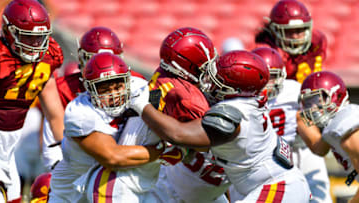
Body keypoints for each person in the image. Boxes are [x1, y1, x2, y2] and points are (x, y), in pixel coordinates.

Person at [132, 50, 312, 202]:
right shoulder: (251, 101)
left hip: (278, 187)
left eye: (217, 80)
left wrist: (142, 106)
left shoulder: (233, 115)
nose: (209, 82)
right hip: (281, 186)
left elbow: (178, 134)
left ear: (235, 89)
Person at [48, 52, 167, 203]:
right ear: (89, 89)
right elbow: (112, 157)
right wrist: (162, 151)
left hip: (111, 180)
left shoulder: (138, 88)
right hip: (73, 190)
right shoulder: (80, 112)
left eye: (117, 87)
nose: (113, 95)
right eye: (104, 90)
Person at [228, 47, 331, 202]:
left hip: (289, 153)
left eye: (273, 77)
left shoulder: (293, 91)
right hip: (249, 161)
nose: (267, 84)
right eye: (262, 76)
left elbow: (305, 124)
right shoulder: (239, 96)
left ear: (282, 76)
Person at [147, 27, 231, 203]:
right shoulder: (188, 97)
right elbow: (207, 141)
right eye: (204, 68)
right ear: (185, 68)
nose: (209, 73)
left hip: (162, 164)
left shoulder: (165, 73)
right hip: (173, 177)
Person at [0, 0, 64, 202]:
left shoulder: (46, 59)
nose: (35, 44)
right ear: (10, 32)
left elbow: (54, 113)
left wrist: (67, 152)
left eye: (40, 37)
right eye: (28, 37)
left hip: (8, 146)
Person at [41, 26, 124, 170]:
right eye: (94, 60)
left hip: (121, 156)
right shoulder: (64, 88)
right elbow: (53, 139)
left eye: (108, 60)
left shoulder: (135, 83)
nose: (101, 68)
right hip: (75, 161)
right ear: (81, 58)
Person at [298, 71, 359, 203]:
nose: (312, 108)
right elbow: (319, 148)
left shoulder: (346, 127)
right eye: (308, 103)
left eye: (317, 100)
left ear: (336, 95)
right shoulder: (333, 127)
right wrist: (297, 121)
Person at [255, 0, 327, 84]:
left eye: (299, 30)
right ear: (274, 31)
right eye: (288, 31)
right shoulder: (269, 53)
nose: (295, 36)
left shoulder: (316, 42)